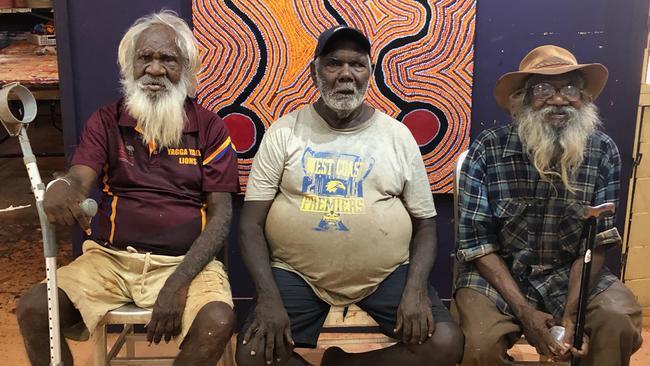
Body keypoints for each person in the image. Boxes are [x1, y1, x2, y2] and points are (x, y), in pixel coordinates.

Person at [16, 11, 239, 365]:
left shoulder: (210, 127)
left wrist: (178, 282)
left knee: (217, 322)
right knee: (33, 309)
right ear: (129, 66)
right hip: (112, 261)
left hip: (186, 263)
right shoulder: (106, 121)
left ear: (186, 69)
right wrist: (61, 186)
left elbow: (222, 215)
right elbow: (79, 178)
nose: (154, 69)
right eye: (145, 58)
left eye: (167, 59)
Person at [235, 26, 463, 366]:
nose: (345, 74)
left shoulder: (397, 136)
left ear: (369, 73)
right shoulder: (284, 132)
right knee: (253, 353)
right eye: (333, 64)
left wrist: (415, 289)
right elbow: (250, 224)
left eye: (356, 64)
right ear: (315, 71)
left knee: (445, 343)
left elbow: (427, 225)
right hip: (297, 273)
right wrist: (268, 297)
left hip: (386, 274)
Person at [454, 45, 643, 366]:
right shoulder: (487, 150)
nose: (558, 100)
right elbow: (477, 244)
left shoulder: (602, 151)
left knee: (617, 321)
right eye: (542, 89)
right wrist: (525, 313)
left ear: (583, 98)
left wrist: (572, 316)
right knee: (478, 344)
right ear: (522, 99)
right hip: (500, 276)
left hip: (569, 274)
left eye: (570, 88)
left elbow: (596, 242)